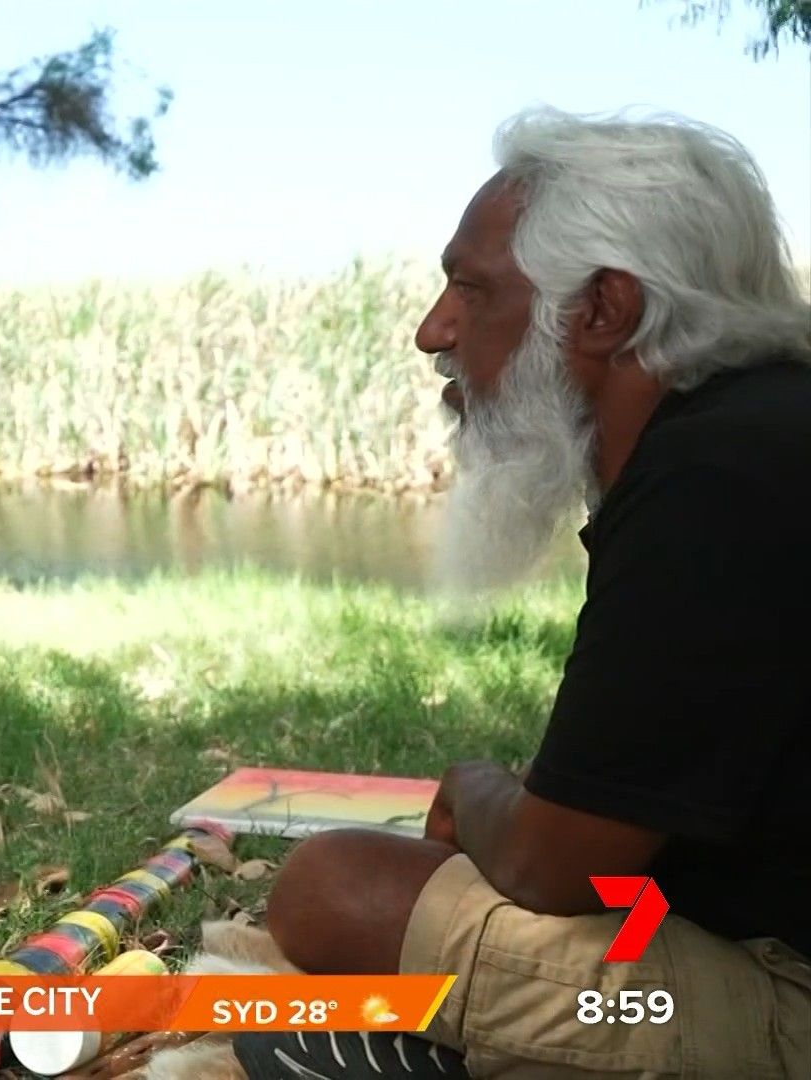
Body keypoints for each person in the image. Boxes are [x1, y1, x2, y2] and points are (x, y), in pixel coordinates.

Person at [241, 108, 811, 1078]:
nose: (433, 331)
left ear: (603, 310)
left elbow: (562, 864)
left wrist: (478, 791)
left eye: (471, 289)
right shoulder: (756, 434)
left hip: (791, 997)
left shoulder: (713, 476)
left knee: (331, 887)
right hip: (744, 918)